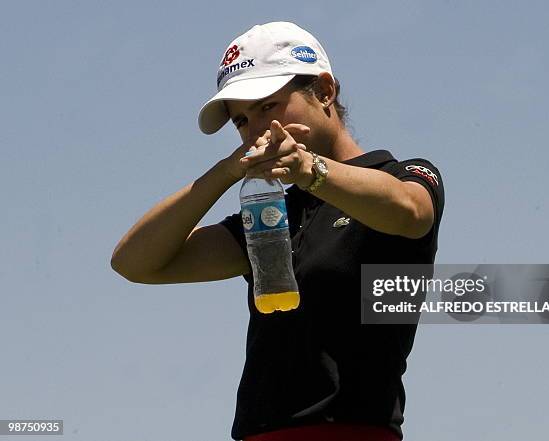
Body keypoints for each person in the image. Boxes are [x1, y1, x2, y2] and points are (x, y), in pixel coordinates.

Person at [111, 21, 445, 441]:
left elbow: (409, 212)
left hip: (352, 430)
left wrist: (310, 170)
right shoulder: (272, 213)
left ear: (324, 92)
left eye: (268, 106)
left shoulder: (401, 175)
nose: (256, 130)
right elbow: (134, 262)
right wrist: (229, 170)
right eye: (241, 120)